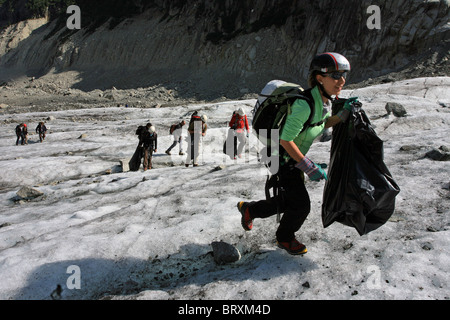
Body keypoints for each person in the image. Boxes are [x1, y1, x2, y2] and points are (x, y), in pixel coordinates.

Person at [237, 52, 358, 255]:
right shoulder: (304, 104)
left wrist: (341, 115)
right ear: (320, 78)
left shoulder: (320, 102)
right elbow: (286, 139)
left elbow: (320, 124)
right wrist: (308, 166)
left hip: (290, 158)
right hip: (281, 158)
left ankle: (250, 209)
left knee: (289, 201)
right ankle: (284, 238)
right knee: (301, 206)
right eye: (336, 75)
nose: (342, 81)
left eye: (344, 75)